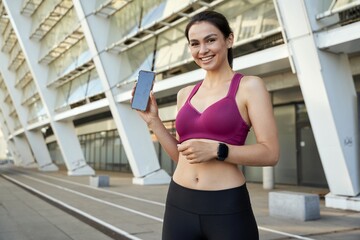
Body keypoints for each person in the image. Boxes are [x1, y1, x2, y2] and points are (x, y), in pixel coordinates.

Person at [133, 10, 279, 240]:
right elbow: (182, 156)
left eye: (211, 40)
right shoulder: (185, 94)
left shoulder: (250, 86)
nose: (203, 50)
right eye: (195, 44)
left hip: (226, 206)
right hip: (179, 203)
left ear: (229, 40)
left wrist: (217, 150)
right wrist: (154, 121)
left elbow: (270, 153)